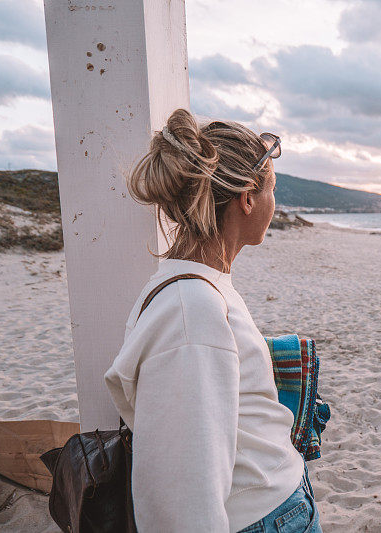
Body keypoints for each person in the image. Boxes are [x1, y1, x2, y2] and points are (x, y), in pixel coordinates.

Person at [103, 108, 322, 533]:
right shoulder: (192, 309)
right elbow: (180, 494)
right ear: (247, 197)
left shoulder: (200, 288)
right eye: (272, 188)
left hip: (273, 504)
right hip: (263, 517)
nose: (275, 203)